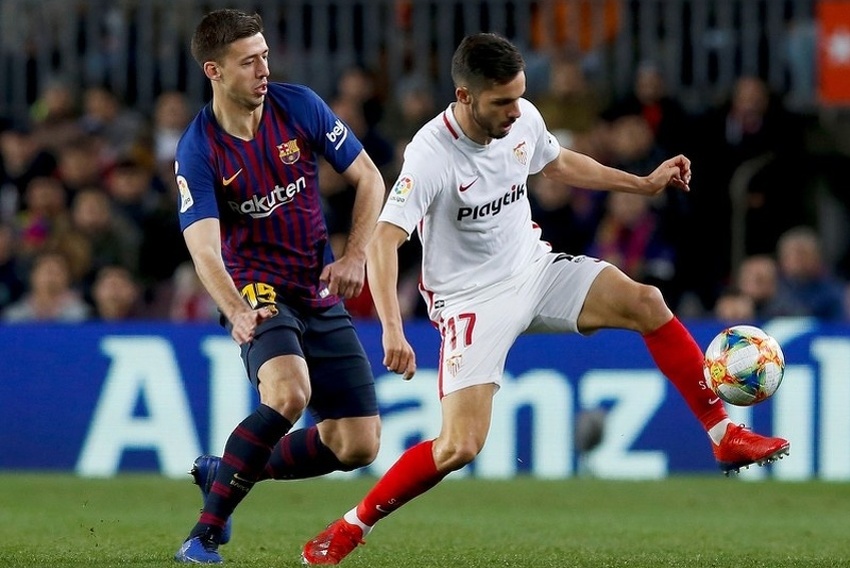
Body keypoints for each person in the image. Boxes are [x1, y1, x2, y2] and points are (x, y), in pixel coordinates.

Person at [300, 32, 791, 566]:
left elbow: (557, 163)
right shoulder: (430, 154)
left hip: (534, 269)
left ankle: (724, 435)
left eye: (520, 96)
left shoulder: (522, 118)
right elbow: (384, 241)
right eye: (502, 102)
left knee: (647, 301)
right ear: (465, 97)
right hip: (470, 301)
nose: (516, 111)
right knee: (458, 447)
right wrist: (392, 330)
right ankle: (350, 527)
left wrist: (643, 184)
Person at [172, 9, 386, 564]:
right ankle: (204, 533)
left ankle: (227, 472)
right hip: (256, 289)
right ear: (215, 71)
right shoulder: (200, 150)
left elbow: (369, 177)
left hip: (316, 286)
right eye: (250, 61)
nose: (264, 68)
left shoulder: (300, 106)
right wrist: (237, 309)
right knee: (289, 394)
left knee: (357, 443)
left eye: (265, 54)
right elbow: (203, 247)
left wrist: (355, 253)